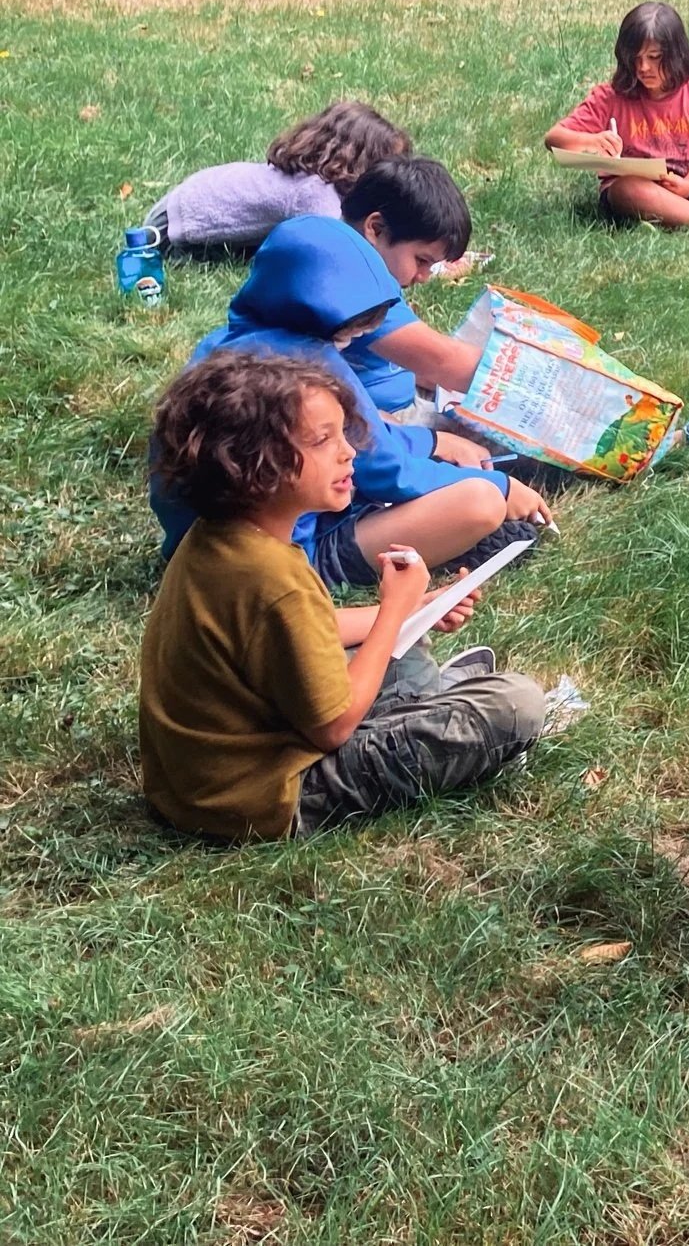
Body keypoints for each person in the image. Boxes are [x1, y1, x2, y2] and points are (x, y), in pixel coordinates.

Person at [138, 350, 544, 841]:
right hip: (263, 798)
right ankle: (444, 703)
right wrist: (394, 609)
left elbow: (311, 630)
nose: (348, 452)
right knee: (516, 703)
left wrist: (416, 607)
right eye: (323, 440)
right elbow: (332, 728)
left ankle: (434, 696)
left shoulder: (222, 540)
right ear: (255, 465)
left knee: (401, 644)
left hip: (202, 782)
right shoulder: (272, 577)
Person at [150, 216, 547, 585]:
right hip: (288, 556)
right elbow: (386, 471)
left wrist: (433, 442)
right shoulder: (311, 366)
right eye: (356, 325)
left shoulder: (223, 347)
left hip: (198, 550)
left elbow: (364, 440)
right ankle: (334, 563)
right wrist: (503, 486)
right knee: (482, 504)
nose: (358, 337)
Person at [545, 2, 689, 229]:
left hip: (688, 186)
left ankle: (682, 220)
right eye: (636, 59)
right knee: (626, 189)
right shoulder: (610, 96)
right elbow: (553, 138)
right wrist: (591, 141)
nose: (644, 67)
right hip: (641, 190)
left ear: (677, 55)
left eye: (654, 57)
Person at [146, 100, 409, 258]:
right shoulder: (313, 192)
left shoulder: (310, 177)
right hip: (170, 230)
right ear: (356, 160)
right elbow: (340, 251)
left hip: (180, 202)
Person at [337, 156, 488, 420]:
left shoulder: (364, 266)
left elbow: (422, 363)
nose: (424, 277)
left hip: (404, 397)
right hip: (382, 421)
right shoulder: (354, 287)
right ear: (376, 228)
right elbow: (444, 361)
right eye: (422, 260)